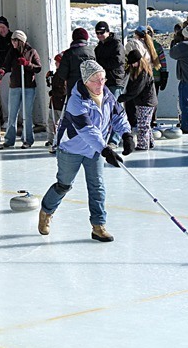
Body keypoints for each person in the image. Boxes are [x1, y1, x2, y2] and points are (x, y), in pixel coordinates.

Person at [39, 60, 135, 242]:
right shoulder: (76, 100)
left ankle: (98, 226)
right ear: (85, 81)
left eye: (103, 79)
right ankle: (46, 211)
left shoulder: (107, 95)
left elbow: (118, 115)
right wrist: (105, 149)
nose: (101, 84)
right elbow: (87, 130)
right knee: (64, 185)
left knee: (97, 187)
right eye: (96, 80)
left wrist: (126, 134)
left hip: (94, 151)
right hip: (71, 149)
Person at [0, 30, 42, 149]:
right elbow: (6, 64)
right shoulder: (12, 52)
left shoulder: (32, 52)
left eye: (15, 40)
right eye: (12, 40)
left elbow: (38, 68)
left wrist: (27, 64)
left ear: (21, 41)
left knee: (27, 114)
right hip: (15, 86)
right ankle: (9, 139)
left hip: (28, 87)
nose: (12, 42)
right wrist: (2, 72)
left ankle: (28, 139)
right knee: (12, 113)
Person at [94, 21, 126, 148]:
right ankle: (106, 136)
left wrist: (100, 64)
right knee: (104, 110)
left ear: (108, 31)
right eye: (97, 33)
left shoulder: (116, 44)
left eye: (102, 32)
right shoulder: (99, 47)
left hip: (115, 80)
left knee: (115, 110)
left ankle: (115, 138)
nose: (100, 35)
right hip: (103, 81)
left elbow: (118, 61)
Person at [118, 50, 157, 150]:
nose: (132, 65)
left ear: (139, 61)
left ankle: (143, 145)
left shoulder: (143, 73)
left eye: (133, 63)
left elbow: (136, 90)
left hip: (146, 102)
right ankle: (150, 142)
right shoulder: (139, 71)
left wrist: (122, 98)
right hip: (144, 101)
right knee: (145, 123)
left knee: (143, 125)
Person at [57, 27, 95, 94]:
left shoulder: (68, 53)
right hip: (90, 88)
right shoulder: (92, 52)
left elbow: (62, 73)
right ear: (86, 38)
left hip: (73, 88)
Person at [147, 25, 168, 127]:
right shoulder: (157, 45)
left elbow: (162, 61)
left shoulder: (155, 46)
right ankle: (152, 118)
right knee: (153, 99)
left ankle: (150, 118)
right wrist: (164, 74)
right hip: (155, 77)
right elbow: (163, 61)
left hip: (149, 77)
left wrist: (164, 75)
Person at [45, 52, 67, 148]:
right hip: (54, 102)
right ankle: (50, 139)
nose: (55, 63)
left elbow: (63, 90)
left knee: (59, 123)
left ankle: (59, 139)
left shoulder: (64, 74)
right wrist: (48, 79)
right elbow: (52, 86)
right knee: (51, 121)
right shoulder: (57, 73)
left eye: (57, 62)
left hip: (61, 103)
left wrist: (53, 93)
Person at [0, 16, 13, 128]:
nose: (2, 29)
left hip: (13, 70)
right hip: (2, 72)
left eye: (3, 27)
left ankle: (19, 118)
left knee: (16, 95)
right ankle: (6, 118)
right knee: (4, 96)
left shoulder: (12, 38)